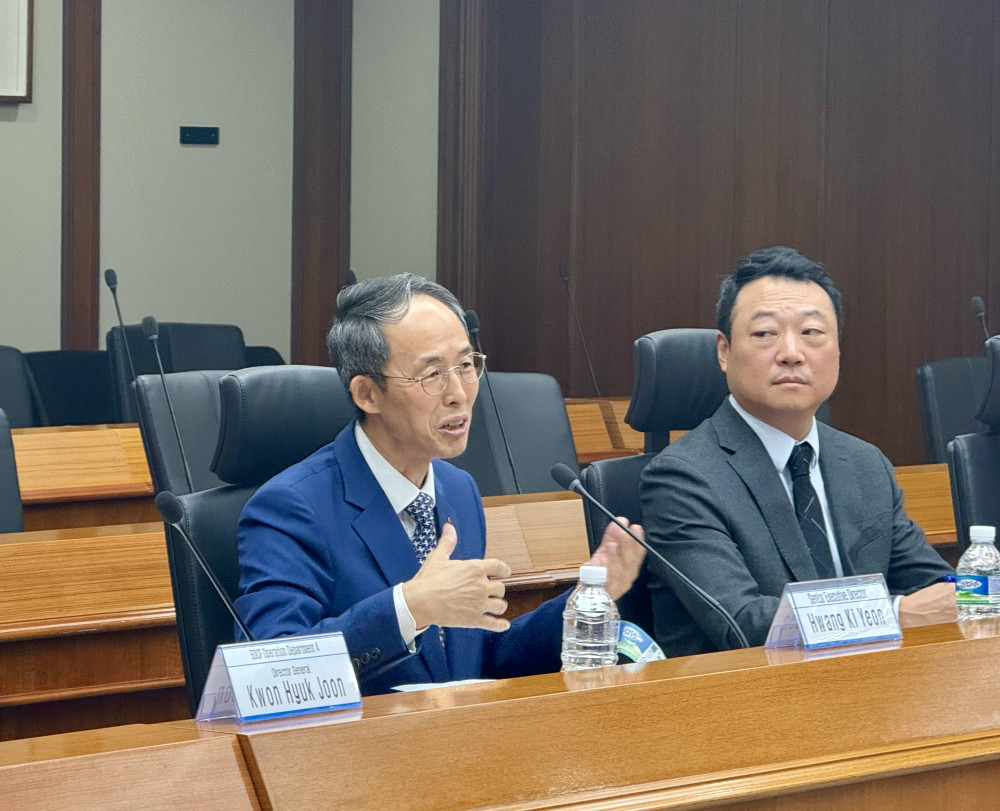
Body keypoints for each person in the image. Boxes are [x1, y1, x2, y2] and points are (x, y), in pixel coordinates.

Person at [235, 273, 645, 694]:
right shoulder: (291, 507)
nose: (459, 394)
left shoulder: (458, 489)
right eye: (432, 374)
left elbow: (469, 662)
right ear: (367, 394)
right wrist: (410, 607)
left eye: (466, 366)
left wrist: (585, 601)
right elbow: (270, 671)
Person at [639, 246, 955, 657]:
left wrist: (969, 594)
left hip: (875, 683)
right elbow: (742, 623)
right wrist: (894, 614)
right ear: (724, 351)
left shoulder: (865, 463)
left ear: (838, 352)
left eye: (811, 332)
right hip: (748, 689)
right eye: (764, 333)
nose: (791, 353)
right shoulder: (682, 477)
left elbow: (933, 586)